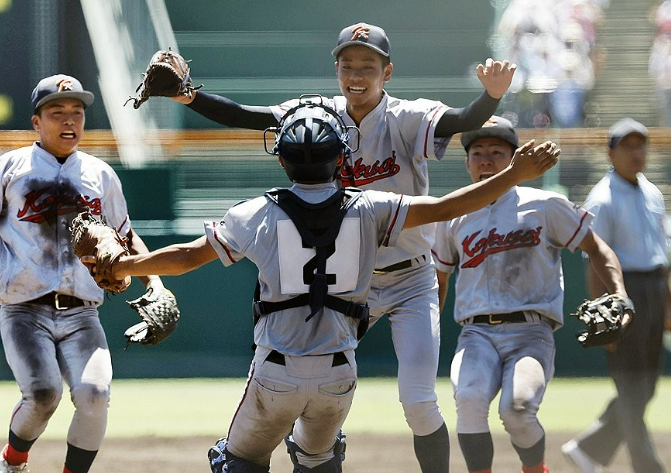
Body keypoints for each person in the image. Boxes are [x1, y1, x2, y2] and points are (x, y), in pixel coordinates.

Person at [81, 100, 558, 473]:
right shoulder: (372, 208)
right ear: (340, 157)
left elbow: (186, 255)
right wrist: (514, 173)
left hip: (275, 370)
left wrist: (127, 265)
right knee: (318, 459)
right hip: (338, 374)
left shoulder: (256, 212)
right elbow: (446, 207)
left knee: (238, 461)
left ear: (283, 160)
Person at [168, 22, 516, 472]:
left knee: (419, 400)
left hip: (412, 278)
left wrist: (490, 98)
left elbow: (463, 120)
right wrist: (188, 97)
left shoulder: (407, 117)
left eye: (368, 66)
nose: (357, 74)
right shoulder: (319, 113)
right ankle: (309, 450)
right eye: (347, 64)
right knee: (307, 375)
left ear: (386, 72)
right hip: (352, 284)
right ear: (336, 68)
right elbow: (246, 117)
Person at [0, 74, 171, 473]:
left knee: (94, 394)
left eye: (77, 112)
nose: (70, 120)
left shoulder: (100, 174)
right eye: (57, 113)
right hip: (24, 309)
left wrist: (155, 284)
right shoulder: (7, 168)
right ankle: (13, 461)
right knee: (42, 395)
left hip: (82, 313)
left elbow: (126, 236)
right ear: (36, 122)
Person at [431, 116, 628, 473]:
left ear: (515, 159)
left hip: (531, 333)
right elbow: (439, 279)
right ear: (467, 163)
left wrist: (619, 293)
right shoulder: (453, 213)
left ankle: (535, 469)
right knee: (470, 398)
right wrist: (425, 334)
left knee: (518, 408)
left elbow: (596, 247)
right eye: (477, 153)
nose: (486, 160)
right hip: (476, 334)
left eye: (496, 151)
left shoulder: (545, 205)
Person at [561, 117, 671, 473]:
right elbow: (595, 261)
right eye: (627, 146)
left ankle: (587, 449)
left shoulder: (652, 192)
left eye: (641, 144)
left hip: (653, 289)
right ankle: (647, 467)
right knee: (631, 386)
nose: (636, 152)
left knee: (645, 387)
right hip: (623, 290)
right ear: (610, 153)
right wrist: (605, 315)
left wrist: (669, 305)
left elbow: (661, 256)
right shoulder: (602, 197)